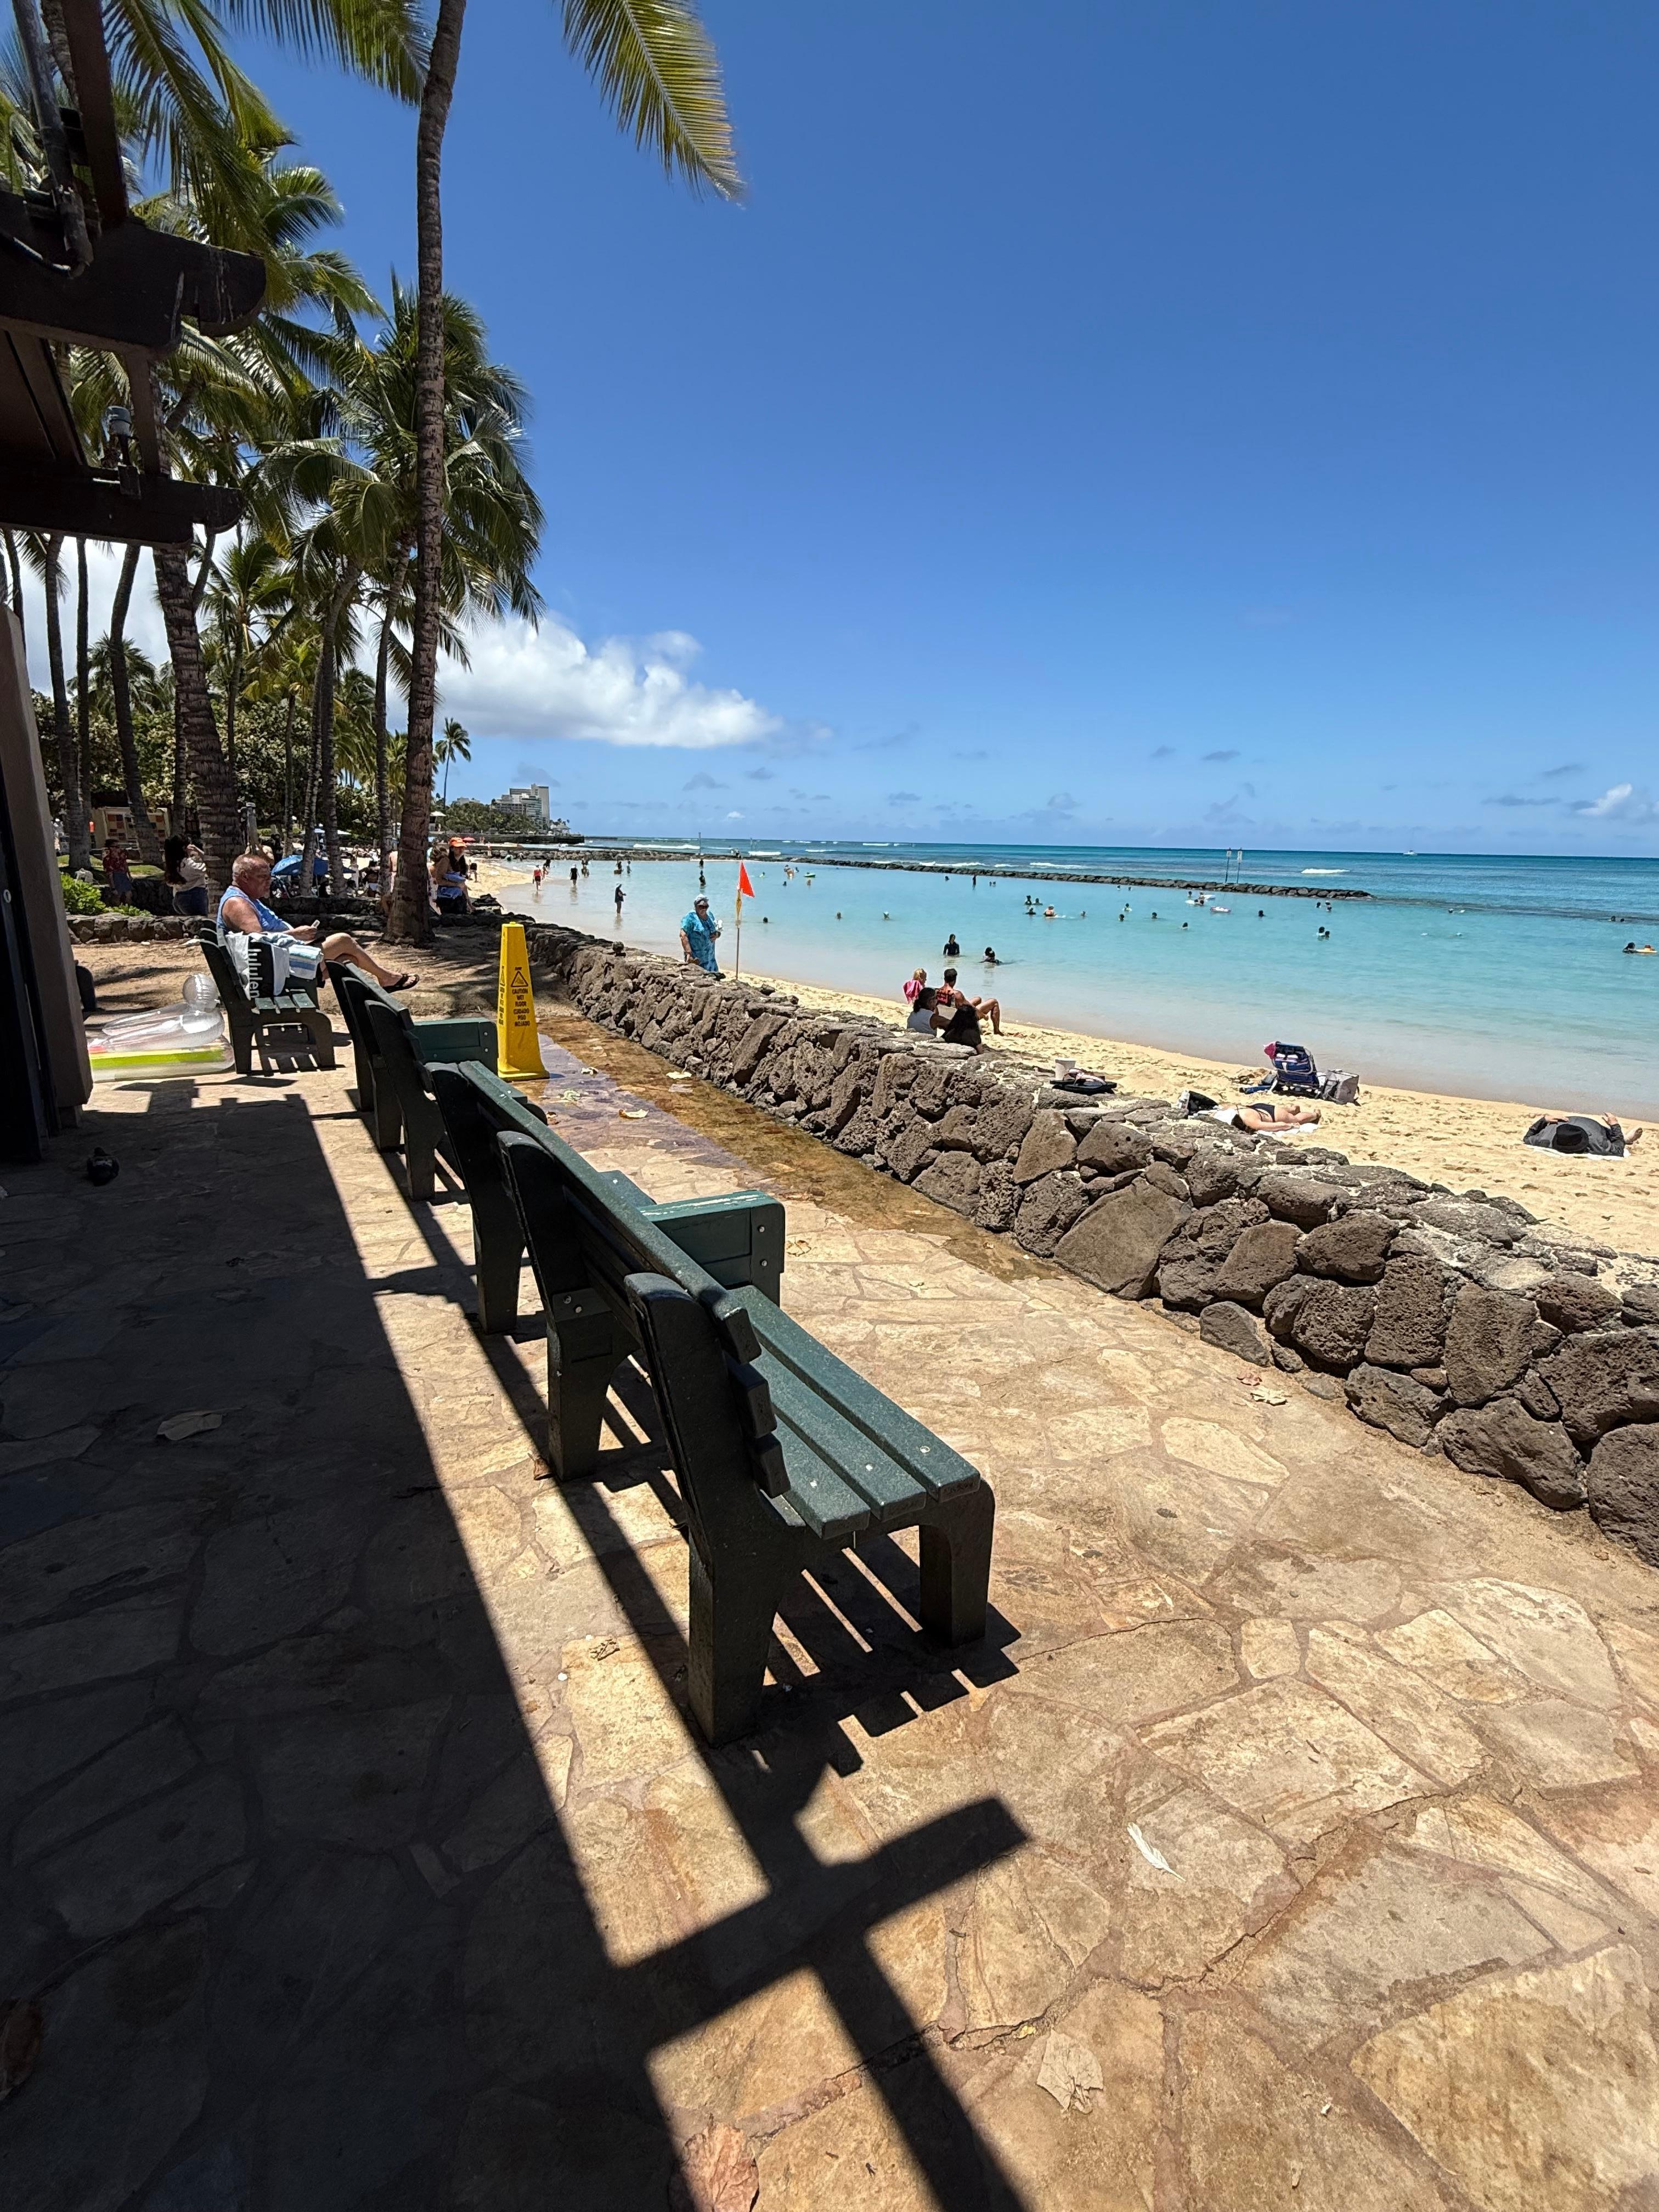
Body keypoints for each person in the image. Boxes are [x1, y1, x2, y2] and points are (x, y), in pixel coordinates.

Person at [217, 852, 417, 990]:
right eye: (263, 877)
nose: (269, 881)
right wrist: (295, 934)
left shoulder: (247, 898)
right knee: (343, 940)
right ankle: (386, 978)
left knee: (350, 960)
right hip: (273, 968)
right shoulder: (238, 903)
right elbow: (258, 942)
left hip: (278, 961)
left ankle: (366, 1004)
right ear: (244, 877)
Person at [1523, 1112, 1641, 1156]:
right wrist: (1615, 1125)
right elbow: (1619, 1150)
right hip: (1567, 1125)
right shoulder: (1596, 1143)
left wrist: (1545, 1120)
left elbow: (1528, 1137)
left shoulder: (1544, 1140)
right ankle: (1624, 1138)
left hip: (1590, 1128)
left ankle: (1623, 1138)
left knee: (1608, 1135)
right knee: (1614, 1139)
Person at [937, 966, 1001, 1034]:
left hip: (944, 1021)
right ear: (955, 980)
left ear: (945, 979)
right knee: (994, 1002)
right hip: (959, 1022)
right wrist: (984, 1016)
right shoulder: (956, 995)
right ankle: (997, 1031)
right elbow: (971, 1008)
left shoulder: (936, 992)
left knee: (978, 999)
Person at [1206, 1100, 1322, 1133]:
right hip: (1257, 1107)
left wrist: (1290, 1126)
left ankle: (1315, 1114)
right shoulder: (1225, 1112)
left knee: (1297, 1119)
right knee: (1288, 1112)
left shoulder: (1251, 1122)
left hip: (1271, 1115)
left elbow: (1275, 1126)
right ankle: (1293, 1109)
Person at [164, 836, 209, 918]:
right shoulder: (189, 864)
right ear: (184, 848)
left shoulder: (172, 864)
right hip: (194, 898)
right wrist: (198, 850)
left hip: (178, 899)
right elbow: (209, 865)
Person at [680, 894, 722, 974]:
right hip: (697, 959)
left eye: (706, 907)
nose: (704, 909)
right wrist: (688, 953)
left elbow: (717, 930)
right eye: (701, 907)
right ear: (696, 906)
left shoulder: (710, 915)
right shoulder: (690, 918)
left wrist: (717, 935)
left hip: (710, 959)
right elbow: (683, 935)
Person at [103, 837, 133, 903]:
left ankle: (128, 909)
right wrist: (113, 887)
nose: (119, 848)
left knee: (129, 894)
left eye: (119, 846)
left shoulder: (121, 855)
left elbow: (125, 864)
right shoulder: (107, 859)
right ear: (111, 848)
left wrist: (129, 875)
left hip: (123, 875)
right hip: (115, 876)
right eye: (116, 847)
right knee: (117, 895)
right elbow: (109, 874)